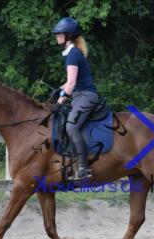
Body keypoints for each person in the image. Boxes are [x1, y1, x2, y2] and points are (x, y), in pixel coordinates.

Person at [52, 17, 98, 180]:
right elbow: (70, 82)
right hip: (80, 95)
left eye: (59, 33)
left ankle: (84, 168)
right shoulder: (71, 52)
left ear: (69, 35)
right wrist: (59, 90)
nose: (56, 35)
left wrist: (59, 101)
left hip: (86, 96)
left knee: (71, 126)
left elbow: (71, 83)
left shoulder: (73, 54)